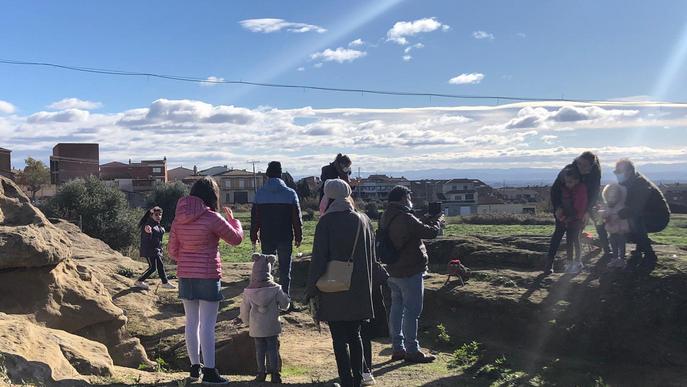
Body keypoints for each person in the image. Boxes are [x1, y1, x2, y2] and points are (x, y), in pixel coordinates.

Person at [168, 177, 244, 384]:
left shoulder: (177, 219)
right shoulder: (212, 217)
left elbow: (172, 251)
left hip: (186, 274)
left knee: (191, 322)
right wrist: (234, 222)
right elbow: (236, 239)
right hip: (208, 274)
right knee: (208, 325)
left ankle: (195, 368)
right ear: (212, 195)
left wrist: (187, 258)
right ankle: (210, 371)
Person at [306, 179, 375, 387]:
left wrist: (311, 289)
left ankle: (345, 380)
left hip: (333, 286)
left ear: (328, 197)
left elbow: (319, 259)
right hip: (359, 288)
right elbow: (372, 256)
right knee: (355, 335)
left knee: (338, 338)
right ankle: (358, 378)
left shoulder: (326, 222)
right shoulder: (363, 219)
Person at [381, 185, 442, 363]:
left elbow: (409, 229)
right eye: (409, 197)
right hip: (410, 270)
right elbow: (430, 233)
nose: (410, 200)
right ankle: (412, 349)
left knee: (396, 309)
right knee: (412, 312)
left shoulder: (386, 215)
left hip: (392, 269)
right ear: (402, 198)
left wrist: (424, 219)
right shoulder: (406, 217)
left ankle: (397, 347)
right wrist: (437, 221)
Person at [250, 161, 303, 298]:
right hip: (285, 236)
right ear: (281, 175)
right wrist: (298, 235)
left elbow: (255, 217)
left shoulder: (260, 193)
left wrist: (253, 234)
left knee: (267, 269)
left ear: (267, 175)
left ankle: (268, 297)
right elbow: (296, 218)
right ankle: (285, 299)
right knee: (285, 270)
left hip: (267, 236)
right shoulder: (290, 193)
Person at [240, 253, 290, 384]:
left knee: (259, 349)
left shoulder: (249, 291)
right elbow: (285, 304)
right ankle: (275, 374)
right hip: (272, 325)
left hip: (256, 326)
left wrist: (247, 322)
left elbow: (244, 310)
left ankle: (261, 373)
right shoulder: (275, 289)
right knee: (272, 349)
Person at [614, 159, 671, 273]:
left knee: (635, 220)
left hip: (659, 218)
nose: (616, 174)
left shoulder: (640, 185)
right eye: (615, 172)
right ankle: (639, 251)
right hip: (647, 215)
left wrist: (616, 214)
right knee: (633, 221)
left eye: (619, 171)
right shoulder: (628, 183)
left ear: (629, 171)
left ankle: (650, 255)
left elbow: (635, 209)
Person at [550, 152, 610, 256]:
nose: (581, 167)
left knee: (598, 221)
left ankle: (607, 249)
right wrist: (558, 207)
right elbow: (555, 190)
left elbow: (594, 192)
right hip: (567, 201)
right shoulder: (569, 170)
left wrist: (587, 211)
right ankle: (549, 262)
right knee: (560, 229)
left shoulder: (595, 172)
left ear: (592, 166)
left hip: (587, 201)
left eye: (585, 165)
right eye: (579, 163)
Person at [544, 166, 588, 275]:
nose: (568, 184)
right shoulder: (564, 189)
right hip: (566, 219)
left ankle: (577, 261)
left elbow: (580, 208)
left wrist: (571, 218)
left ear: (577, 181)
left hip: (576, 219)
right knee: (569, 241)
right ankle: (569, 262)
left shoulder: (581, 191)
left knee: (575, 240)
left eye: (570, 182)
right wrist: (563, 218)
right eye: (566, 182)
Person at [360, 262, 388, 386]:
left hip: (360, 281)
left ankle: (363, 370)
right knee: (362, 332)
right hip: (368, 280)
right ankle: (365, 370)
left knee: (359, 332)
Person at [134, 206, 175, 290]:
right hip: (149, 250)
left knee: (159, 266)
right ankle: (139, 281)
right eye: (156, 215)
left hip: (156, 250)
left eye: (160, 214)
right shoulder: (148, 225)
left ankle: (165, 282)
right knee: (153, 267)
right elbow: (146, 238)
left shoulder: (157, 225)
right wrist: (148, 233)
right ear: (151, 215)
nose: (159, 216)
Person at [599, 183, 631, 269]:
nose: (612, 199)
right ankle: (615, 258)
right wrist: (603, 215)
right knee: (613, 245)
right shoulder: (607, 207)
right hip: (611, 230)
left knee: (621, 245)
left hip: (620, 230)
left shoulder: (621, 207)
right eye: (610, 197)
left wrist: (623, 228)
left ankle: (622, 259)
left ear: (619, 197)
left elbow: (624, 218)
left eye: (614, 197)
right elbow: (605, 217)